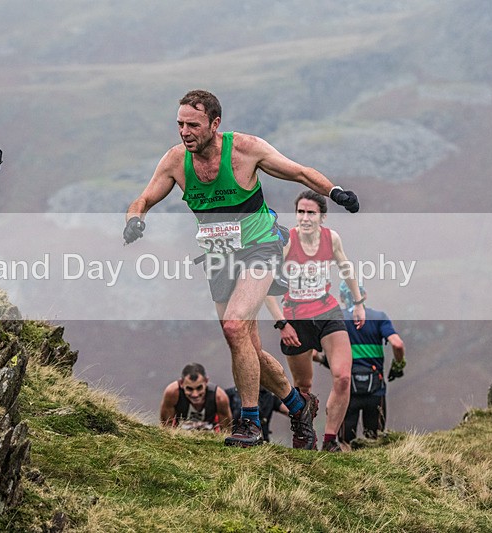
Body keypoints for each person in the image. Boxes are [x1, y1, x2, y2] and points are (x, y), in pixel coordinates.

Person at [123, 89, 360, 448]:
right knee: (244, 344)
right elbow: (143, 198)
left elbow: (299, 173)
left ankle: (248, 423)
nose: (185, 132)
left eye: (193, 125)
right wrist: (134, 221)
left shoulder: (246, 150)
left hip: (260, 248)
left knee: (235, 325)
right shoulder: (175, 161)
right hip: (219, 258)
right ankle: (299, 407)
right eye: (180, 125)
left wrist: (336, 191)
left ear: (215, 124)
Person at [265, 190, 365, 452]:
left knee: (343, 377)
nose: (305, 217)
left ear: (322, 217)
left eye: (311, 213)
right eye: (300, 212)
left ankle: (330, 441)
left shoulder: (331, 238)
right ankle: (305, 439)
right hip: (295, 318)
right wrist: (281, 324)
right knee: (303, 388)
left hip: (327, 311)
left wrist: (358, 303)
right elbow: (264, 285)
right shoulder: (287, 242)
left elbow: (346, 267)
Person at [324, 281, 406, 443]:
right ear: (364, 295)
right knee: (376, 440)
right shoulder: (379, 318)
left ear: (341, 298)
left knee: (345, 442)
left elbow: (313, 353)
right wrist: (398, 365)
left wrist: (327, 361)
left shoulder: (336, 319)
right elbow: (397, 344)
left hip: (347, 389)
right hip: (376, 388)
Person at [160, 363, 233, 433]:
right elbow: (166, 428)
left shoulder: (219, 397)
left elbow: (226, 431)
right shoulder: (172, 393)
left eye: (199, 388)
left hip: (210, 435)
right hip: (180, 434)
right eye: (189, 389)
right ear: (181, 383)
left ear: (206, 381)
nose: (195, 394)